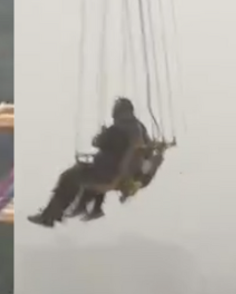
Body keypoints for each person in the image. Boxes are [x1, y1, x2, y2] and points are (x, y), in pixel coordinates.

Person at [28, 97, 148, 227]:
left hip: (109, 172)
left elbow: (97, 142)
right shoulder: (139, 128)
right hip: (121, 171)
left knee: (68, 177)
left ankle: (50, 216)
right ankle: (81, 208)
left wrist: (102, 134)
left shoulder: (117, 130)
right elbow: (146, 146)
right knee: (79, 175)